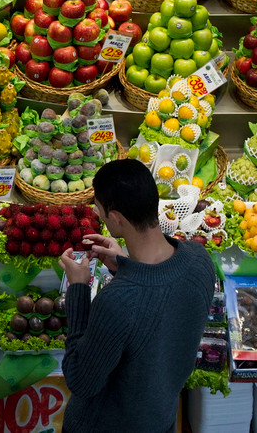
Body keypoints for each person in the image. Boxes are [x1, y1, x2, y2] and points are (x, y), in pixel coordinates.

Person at [58, 159, 216, 433]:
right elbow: (160, 316)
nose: (99, 215)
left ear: (116, 218)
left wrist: (79, 290)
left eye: (100, 210)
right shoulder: (199, 260)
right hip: (160, 418)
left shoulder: (118, 301)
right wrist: (128, 266)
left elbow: (81, 380)